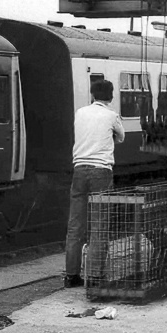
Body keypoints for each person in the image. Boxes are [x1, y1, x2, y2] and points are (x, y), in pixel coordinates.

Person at [64, 79, 125, 288]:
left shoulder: (80, 113)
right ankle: (95, 276)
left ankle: (71, 276)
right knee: (99, 225)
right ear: (111, 96)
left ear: (92, 94)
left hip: (79, 170)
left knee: (75, 225)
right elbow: (122, 137)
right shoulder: (111, 115)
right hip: (101, 172)